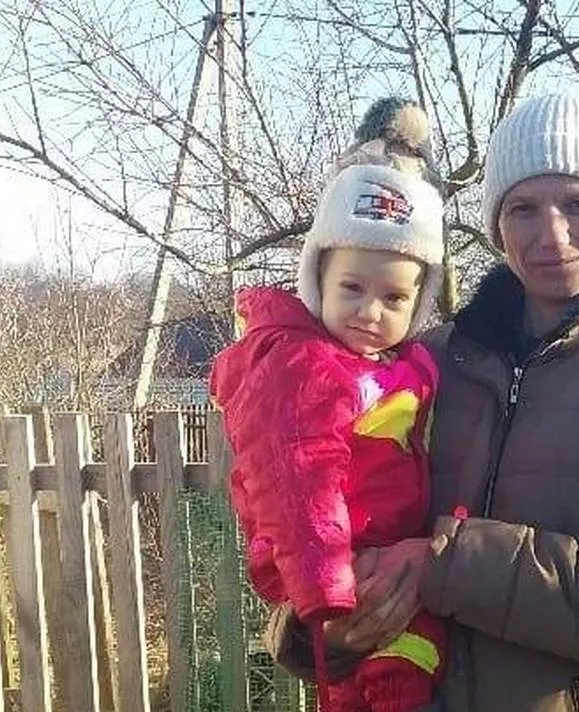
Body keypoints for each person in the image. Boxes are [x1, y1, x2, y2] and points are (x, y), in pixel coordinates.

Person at [265, 93, 579, 711]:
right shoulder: (424, 363)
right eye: (523, 208)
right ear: (497, 227)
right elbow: (336, 524)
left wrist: (446, 567)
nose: (552, 235)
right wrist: (317, 633)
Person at [209, 98, 450, 712]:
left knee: (407, 661)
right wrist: (324, 594)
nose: (370, 311)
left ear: (418, 306)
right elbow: (297, 479)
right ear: (317, 281)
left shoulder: (403, 368)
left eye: (394, 299)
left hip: (382, 564)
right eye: (352, 288)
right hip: (331, 573)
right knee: (363, 679)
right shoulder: (305, 369)